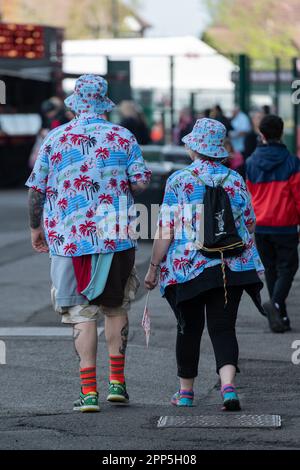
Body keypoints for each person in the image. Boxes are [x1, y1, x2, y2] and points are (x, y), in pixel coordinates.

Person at [26, 75, 151, 412]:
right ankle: (117, 384)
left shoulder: (55, 137)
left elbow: (36, 188)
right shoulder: (123, 136)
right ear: (104, 102)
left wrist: (36, 228)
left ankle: (88, 392)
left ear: (75, 103)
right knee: (115, 308)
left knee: (81, 314)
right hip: (116, 238)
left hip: (68, 240)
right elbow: (139, 183)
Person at [144, 118, 264, 411]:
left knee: (189, 329)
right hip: (230, 266)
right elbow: (249, 223)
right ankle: (228, 387)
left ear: (194, 148)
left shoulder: (179, 180)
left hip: (188, 269)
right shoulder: (235, 179)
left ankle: (185, 393)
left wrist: (153, 266)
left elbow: (166, 230)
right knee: (223, 329)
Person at [247, 115, 300, 333]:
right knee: (288, 267)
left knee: (270, 268)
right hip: (285, 223)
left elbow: (249, 194)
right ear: (281, 133)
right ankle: (276, 304)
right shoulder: (292, 163)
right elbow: (298, 197)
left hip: (261, 224)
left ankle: (281, 315)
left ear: (262, 134)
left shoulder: (250, 162)